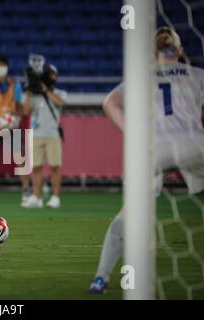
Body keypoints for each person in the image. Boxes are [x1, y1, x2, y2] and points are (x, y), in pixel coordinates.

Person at [89, 27, 204, 294]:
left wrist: (136, 135)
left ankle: (100, 279)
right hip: (195, 143)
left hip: (154, 148)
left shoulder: (142, 77)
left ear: (152, 53)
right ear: (179, 51)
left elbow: (110, 103)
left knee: (129, 213)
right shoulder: (197, 75)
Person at [0, 56, 31, 203]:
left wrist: (17, 119)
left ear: (7, 67)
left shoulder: (15, 85)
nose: (0, 68)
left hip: (13, 125)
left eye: (2, 65)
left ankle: (26, 190)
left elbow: (20, 105)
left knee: (19, 157)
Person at [22, 60, 67, 209]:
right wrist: (29, 91)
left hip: (53, 135)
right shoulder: (34, 95)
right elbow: (26, 111)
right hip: (36, 134)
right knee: (36, 167)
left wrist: (46, 91)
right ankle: (37, 197)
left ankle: (55, 197)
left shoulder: (59, 93)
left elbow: (61, 103)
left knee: (55, 167)